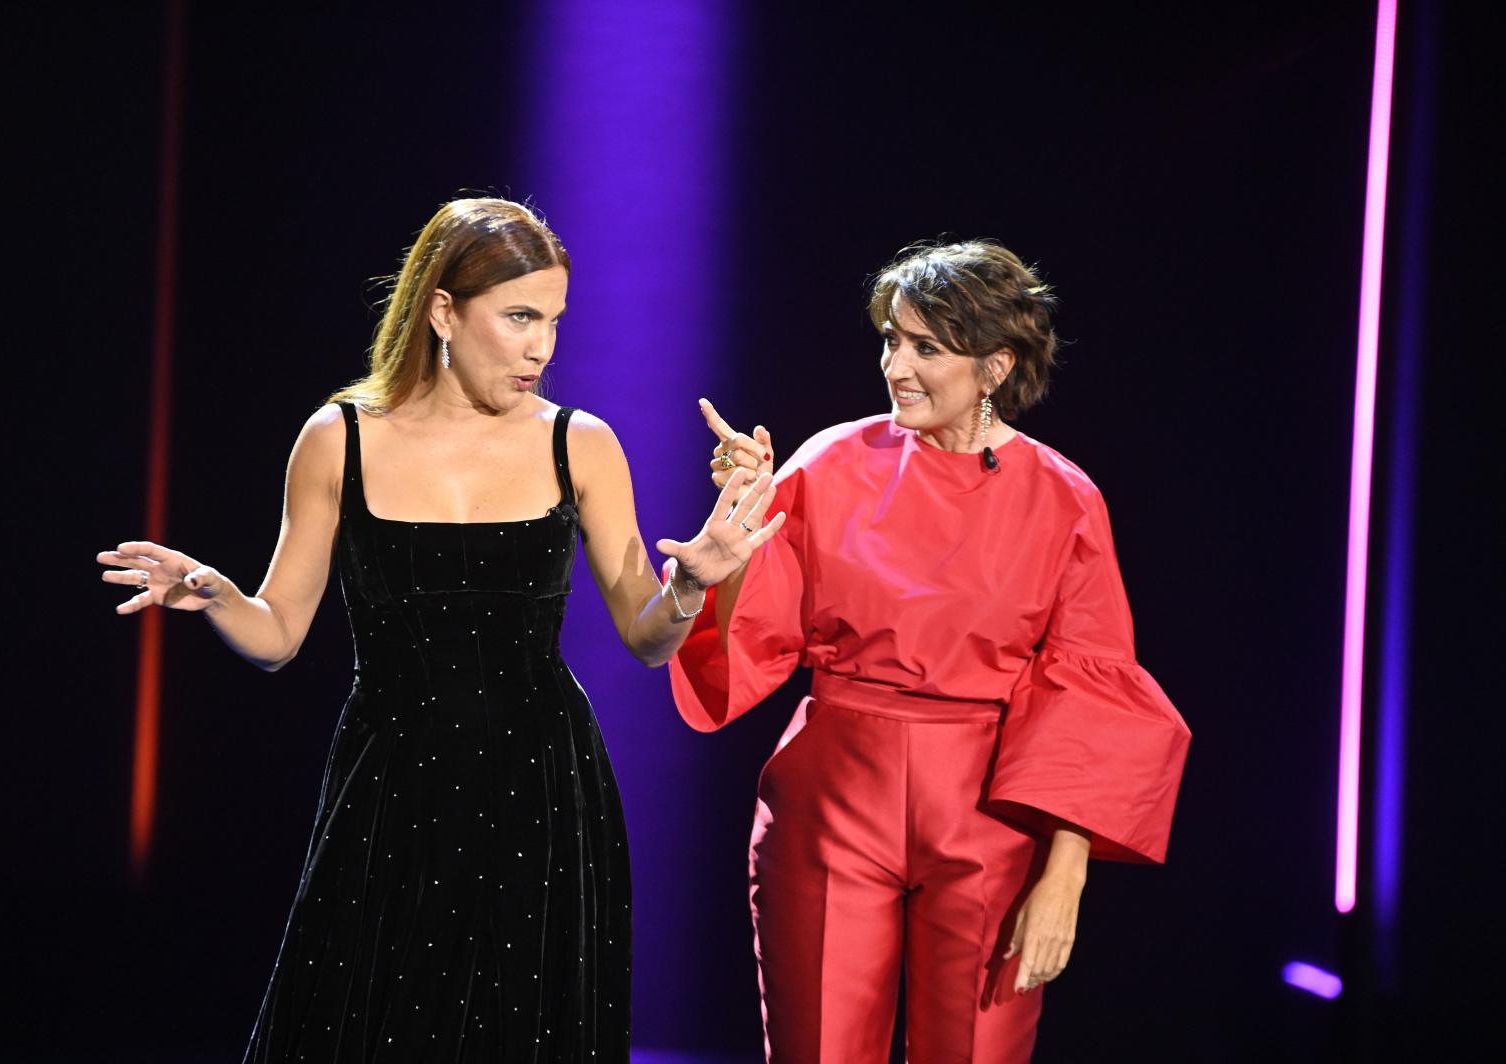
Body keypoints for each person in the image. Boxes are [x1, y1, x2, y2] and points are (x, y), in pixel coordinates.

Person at [96, 197, 782, 1062]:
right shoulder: (338, 438)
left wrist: (695, 581)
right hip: (392, 786)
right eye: (520, 318)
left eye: (555, 321)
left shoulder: (583, 444)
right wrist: (216, 596)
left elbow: (648, 639)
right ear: (443, 311)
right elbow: (277, 635)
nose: (543, 347)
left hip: (543, 788)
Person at [668, 240, 1191, 1062]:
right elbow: (757, 632)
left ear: (995, 367)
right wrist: (740, 536)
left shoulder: (1064, 497)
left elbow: (1091, 690)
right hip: (834, 795)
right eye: (890, 339)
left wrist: (1066, 877)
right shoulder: (833, 461)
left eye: (926, 347)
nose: (895, 366)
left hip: (991, 812)